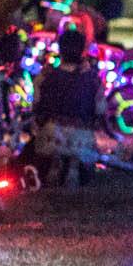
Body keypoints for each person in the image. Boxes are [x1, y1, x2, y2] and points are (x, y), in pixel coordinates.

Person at [31, 26, 104, 189]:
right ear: (82, 50)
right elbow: (100, 110)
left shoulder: (46, 76)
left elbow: (36, 105)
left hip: (51, 134)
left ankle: (56, 159)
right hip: (82, 137)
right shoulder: (93, 78)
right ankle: (74, 163)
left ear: (60, 49)